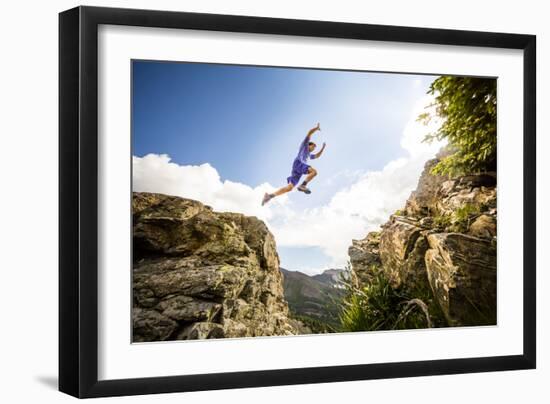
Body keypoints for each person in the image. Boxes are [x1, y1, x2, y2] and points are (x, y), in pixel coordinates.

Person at [262, 123, 326, 206]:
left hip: (297, 169)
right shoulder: (304, 146)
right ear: (309, 145)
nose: (313, 149)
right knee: (314, 172)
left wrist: (322, 148)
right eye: (313, 146)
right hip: (299, 163)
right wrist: (316, 128)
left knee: (289, 188)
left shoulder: (309, 155)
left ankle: (270, 196)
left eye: (314, 148)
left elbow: (317, 156)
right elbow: (309, 133)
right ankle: (303, 185)